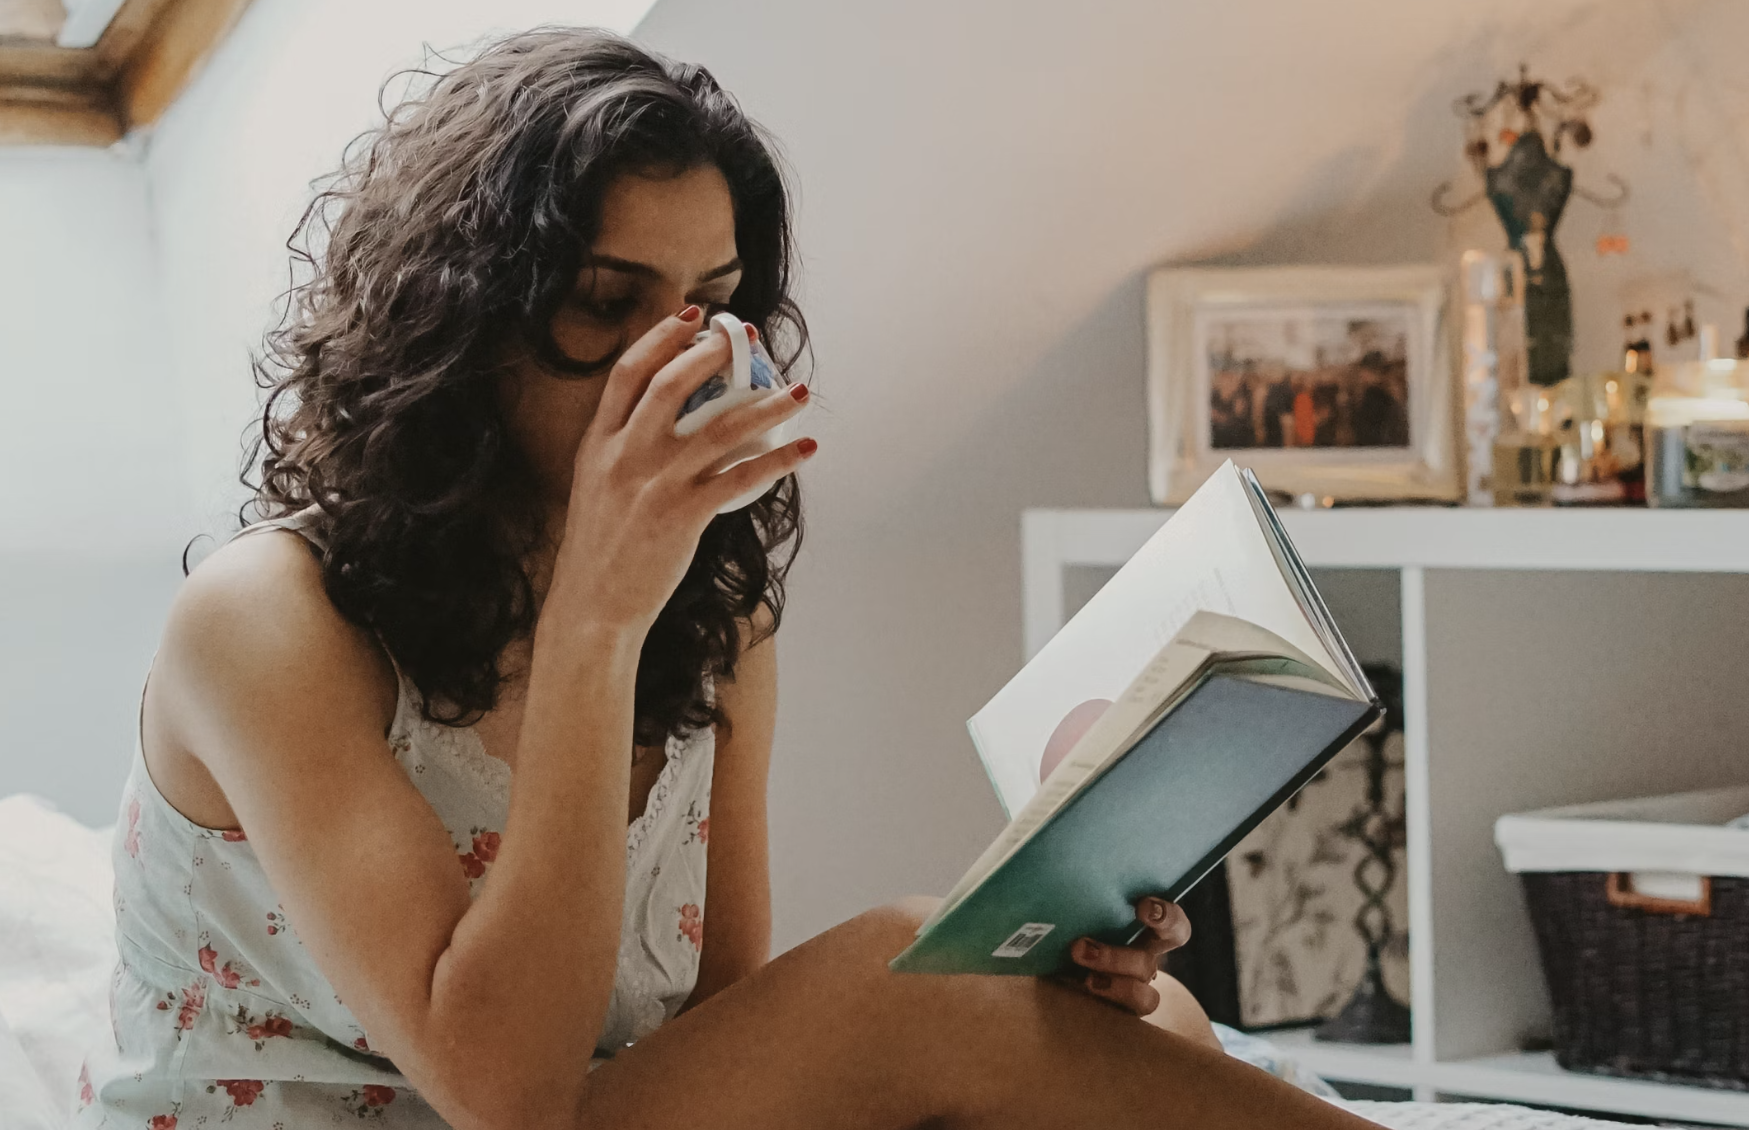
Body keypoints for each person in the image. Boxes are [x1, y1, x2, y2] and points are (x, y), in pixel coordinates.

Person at [73, 28, 1386, 1130]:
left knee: (1161, 1016)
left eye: (711, 302)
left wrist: (1057, 982)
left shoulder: (718, 607)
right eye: (608, 299)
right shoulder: (267, 620)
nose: (680, 361)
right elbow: (503, 1088)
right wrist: (596, 616)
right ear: (462, 318)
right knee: (904, 968)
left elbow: (726, 1030)